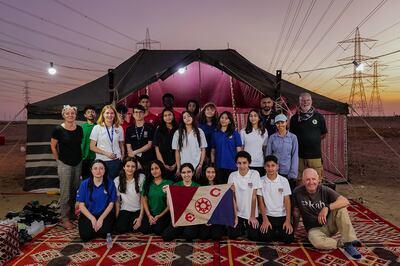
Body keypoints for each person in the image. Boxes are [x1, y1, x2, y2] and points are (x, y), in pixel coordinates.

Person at [293, 168, 362, 260]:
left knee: (341, 208)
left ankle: (350, 241)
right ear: (303, 181)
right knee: (316, 241)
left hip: (329, 225)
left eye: (313, 179)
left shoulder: (325, 190)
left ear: (318, 180)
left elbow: (345, 201)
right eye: (307, 179)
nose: (311, 182)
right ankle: (342, 244)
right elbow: (296, 213)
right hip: (314, 230)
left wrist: (327, 207)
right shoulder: (297, 192)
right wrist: (294, 231)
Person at [50, 105, 83, 229]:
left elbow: (78, 145)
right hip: (64, 163)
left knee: (74, 190)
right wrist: (58, 160)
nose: (70, 115)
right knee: (65, 192)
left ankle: (72, 214)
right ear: (63, 115)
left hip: (78, 163)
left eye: (72, 113)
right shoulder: (58, 130)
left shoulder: (79, 129)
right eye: (68, 113)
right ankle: (64, 218)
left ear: (75, 115)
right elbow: (53, 146)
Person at [76, 159, 117, 241]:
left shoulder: (110, 183)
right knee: (85, 236)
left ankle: (99, 228)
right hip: (89, 213)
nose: (98, 171)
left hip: (104, 214)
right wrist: (92, 218)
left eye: (101, 168)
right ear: (91, 170)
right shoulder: (84, 184)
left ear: (105, 170)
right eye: (95, 168)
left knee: (104, 234)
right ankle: (92, 228)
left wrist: (101, 218)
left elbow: (111, 204)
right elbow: (81, 205)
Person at [290, 92, 327, 179]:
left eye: (308, 100)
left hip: (315, 156)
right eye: (303, 101)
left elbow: (323, 134)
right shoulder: (294, 118)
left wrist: (312, 140)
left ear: (311, 101)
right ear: (299, 102)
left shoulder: (319, 117)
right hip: (299, 156)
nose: (305, 102)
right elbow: (292, 136)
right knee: (300, 179)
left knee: (316, 180)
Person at [257, 155, 294, 243]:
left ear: (277, 166)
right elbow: (260, 201)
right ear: (264, 167)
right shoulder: (260, 181)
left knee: (288, 239)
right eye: (268, 166)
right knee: (265, 238)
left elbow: (287, 201)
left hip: (282, 215)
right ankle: (275, 231)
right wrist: (265, 220)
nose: (270, 168)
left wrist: (288, 221)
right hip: (268, 215)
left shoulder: (284, 180)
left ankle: (277, 231)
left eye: (273, 165)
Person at [227, 151, 261, 240]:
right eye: (239, 163)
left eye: (244, 163)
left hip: (251, 212)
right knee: (233, 235)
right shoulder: (232, 176)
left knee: (254, 237)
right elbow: (232, 198)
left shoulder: (255, 174)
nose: (242, 166)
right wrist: (235, 216)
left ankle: (247, 227)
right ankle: (241, 227)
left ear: (249, 163)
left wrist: (252, 216)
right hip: (237, 212)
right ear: (236, 164)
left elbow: (254, 197)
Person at [162, 163, 201, 241]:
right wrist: (168, 194)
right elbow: (169, 207)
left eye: (189, 172)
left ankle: (186, 230)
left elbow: (199, 207)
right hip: (178, 218)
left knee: (188, 236)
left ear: (193, 173)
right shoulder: (175, 186)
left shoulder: (198, 187)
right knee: (166, 236)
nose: (186, 174)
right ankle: (181, 229)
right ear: (180, 174)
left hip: (192, 219)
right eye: (183, 172)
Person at [90, 105, 125, 179]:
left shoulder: (119, 127)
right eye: (107, 113)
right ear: (103, 114)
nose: (110, 115)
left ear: (115, 114)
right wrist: (106, 153)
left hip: (116, 161)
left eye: (112, 113)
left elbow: (121, 144)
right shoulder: (97, 127)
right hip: (102, 161)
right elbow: (92, 147)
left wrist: (122, 155)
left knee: (114, 184)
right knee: (102, 183)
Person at [266, 114, 298, 191]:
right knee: (275, 192)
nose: (280, 125)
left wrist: (293, 173)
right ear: (275, 124)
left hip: (287, 171)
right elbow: (268, 154)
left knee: (287, 193)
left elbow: (295, 155)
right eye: (278, 123)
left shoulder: (293, 137)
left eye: (282, 122)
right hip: (274, 170)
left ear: (286, 122)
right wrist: (268, 169)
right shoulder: (272, 137)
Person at [140, 160, 174, 235]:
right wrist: (149, 215)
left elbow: (170, 205)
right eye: (152, 169)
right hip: (150, 213)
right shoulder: (147, 183)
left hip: (163, 213)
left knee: (158, 231)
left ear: (161, 168)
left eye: (156, 168)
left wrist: (159, 216)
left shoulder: (169, 183)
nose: (154, 171)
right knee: (144, 230)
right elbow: (144, 200)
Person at [172, 110, 207, 178]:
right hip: (183, 166)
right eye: (184, 117)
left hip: (197, 166)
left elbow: (203, 149)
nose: (187, 118)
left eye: (188, 116)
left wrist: (200, 165)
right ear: (182, 120)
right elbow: (177, 151)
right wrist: (178, 167)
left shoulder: (199, 131)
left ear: (192, 117)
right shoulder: (178, 133)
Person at [114, 157, 145, 233]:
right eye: (128, 166)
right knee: (120, 229)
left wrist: (140, 218)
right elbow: (117, 201)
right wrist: (117, 218)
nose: (130, 169)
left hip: (138, 209)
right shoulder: (117, 180)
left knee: (141, 229)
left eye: (133, 166)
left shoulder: (141, 177)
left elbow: (143, 199)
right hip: (125, 209)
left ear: (136, 168)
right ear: (124, 167)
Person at [211, 111, 242, 183]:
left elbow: (239, 151)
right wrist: (212, 163)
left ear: (230, 121)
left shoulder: (235, 134)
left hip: (232, 166)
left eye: (226, 118)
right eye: (222, 118)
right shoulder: (215, 134)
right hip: (219, 166)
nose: (223, 120)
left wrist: (239, 164)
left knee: (231, 189)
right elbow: (213, 151)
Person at [198, 165, 226, 241]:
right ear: (205, 173)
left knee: (216, 237)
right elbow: (198, 205)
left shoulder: (221, 185)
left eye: (213, 172)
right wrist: (205, 219)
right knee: (204, 236)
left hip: (217, 217)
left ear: (216, 173)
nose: (210, 174)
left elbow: (223, 205)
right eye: (208, 172)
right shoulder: (200, 186)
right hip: (204, 217)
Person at [126, 105, 155, 170]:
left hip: (148, 159)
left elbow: (149, 145)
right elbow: (128, 147)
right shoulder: (129, 129)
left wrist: (134, 152)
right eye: (136, 112)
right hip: (134, 161)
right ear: (133, 114)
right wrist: (136, 162)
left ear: (144, 114)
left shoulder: (150, 127)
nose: (138, 114)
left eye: (140, 112)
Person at [240, 109, 268, 176]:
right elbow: (241, 148)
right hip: (247, 163)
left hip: (259, 163)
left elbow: (264, 148)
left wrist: (265, 163)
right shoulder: (243, 131)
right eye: (251, 116)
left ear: (259, 118)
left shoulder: (264, 131)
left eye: (255, 116)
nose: (253, 118)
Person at [153, 108, 178, 180]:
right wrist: (163, 164)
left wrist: (176, 164)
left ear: (173, 116)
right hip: (163, 161)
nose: (168, 117)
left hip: (176, 161)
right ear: (163, 118)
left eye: (169, 115)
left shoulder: (178, 129)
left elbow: (181, 148)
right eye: (165, 115)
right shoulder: (159, 129)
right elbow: (156, 148)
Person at [81, 105, 96, 180]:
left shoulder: (99, 127)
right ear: (85, 115)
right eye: (88, 112)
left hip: (96, 157)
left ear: (95, 114)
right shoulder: (81, 128)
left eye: (93, 112)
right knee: (86, 179)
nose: (91, 113)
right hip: (84, 158)